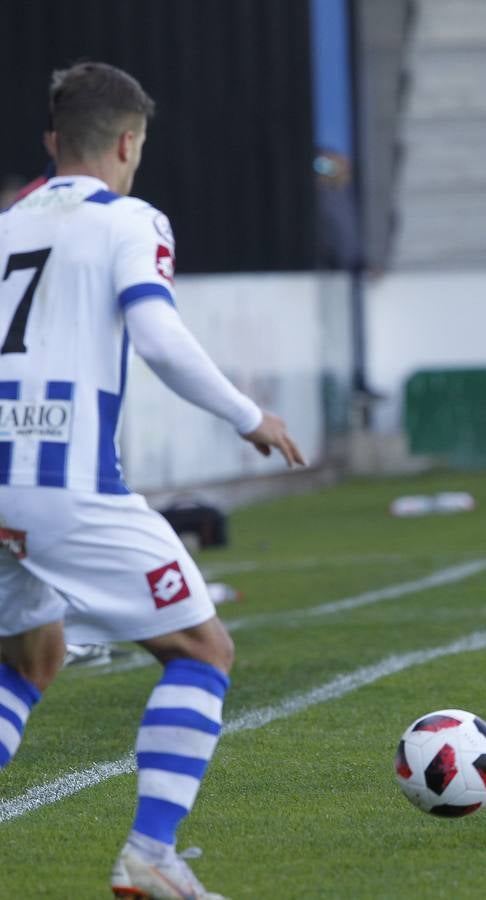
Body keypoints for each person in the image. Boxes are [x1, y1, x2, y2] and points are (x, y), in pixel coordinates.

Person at [0, 62, 305, 898]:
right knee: (202, 648)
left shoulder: (5, 223)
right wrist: (251, 416)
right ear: (129, 143)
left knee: (31, 658)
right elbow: (160, 338)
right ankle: (148, 857)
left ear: (53, 143)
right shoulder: (131, 219)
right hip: (65, 480)